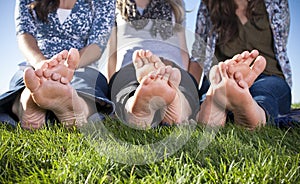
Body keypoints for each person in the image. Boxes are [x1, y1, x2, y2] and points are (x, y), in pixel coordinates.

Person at [0, 0, 116, 129]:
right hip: (36, 65)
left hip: (82, 66)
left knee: (84, 87)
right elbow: (25, 36)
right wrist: (42, 64)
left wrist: (69, 65)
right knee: (27, 80)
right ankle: (29, 100)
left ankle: (26, 104)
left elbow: (97, 45)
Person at [191, 0, 292, 129]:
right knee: (215, 87)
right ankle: (218, 101)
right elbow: (198, 54)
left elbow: (281, 45)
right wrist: (190, 94)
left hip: (268, 74)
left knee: (265, 92)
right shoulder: (209, 5)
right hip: (221, 74)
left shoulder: (277, 2)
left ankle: (248, 110)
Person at [107, 0, 201, 129]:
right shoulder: (115, 6)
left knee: (181, 84)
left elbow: (183, 48)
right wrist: (111, 85)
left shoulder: (175, 5)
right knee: (126, 86)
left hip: (170, 64)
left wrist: (183, 74)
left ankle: (174, 99)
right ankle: (139, 108)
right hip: (133, 65)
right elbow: (112, 53)